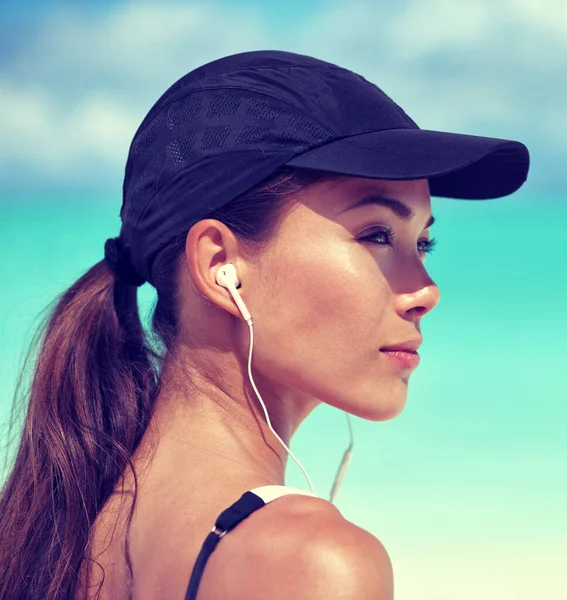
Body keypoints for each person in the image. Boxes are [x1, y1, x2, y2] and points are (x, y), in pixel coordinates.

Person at [0, 50, 529, 600]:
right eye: (376, 234)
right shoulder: (314, 563)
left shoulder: (56, 537)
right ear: (219, 265)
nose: (427, 291)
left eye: (423, 243)